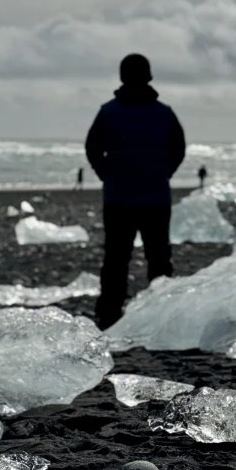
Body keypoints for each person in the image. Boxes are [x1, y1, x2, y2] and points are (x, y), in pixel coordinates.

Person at [85, 54, 186, 330]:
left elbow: (92, 148)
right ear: (148, 76)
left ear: (122, 77)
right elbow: (178, 149)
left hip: (119, 197)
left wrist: (107, 174)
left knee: (117, 258)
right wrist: (163, 173)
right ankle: (161, 313)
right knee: (159, 258)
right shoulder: (164, 113)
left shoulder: (108, 112)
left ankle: (110, 311)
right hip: (155, 196)